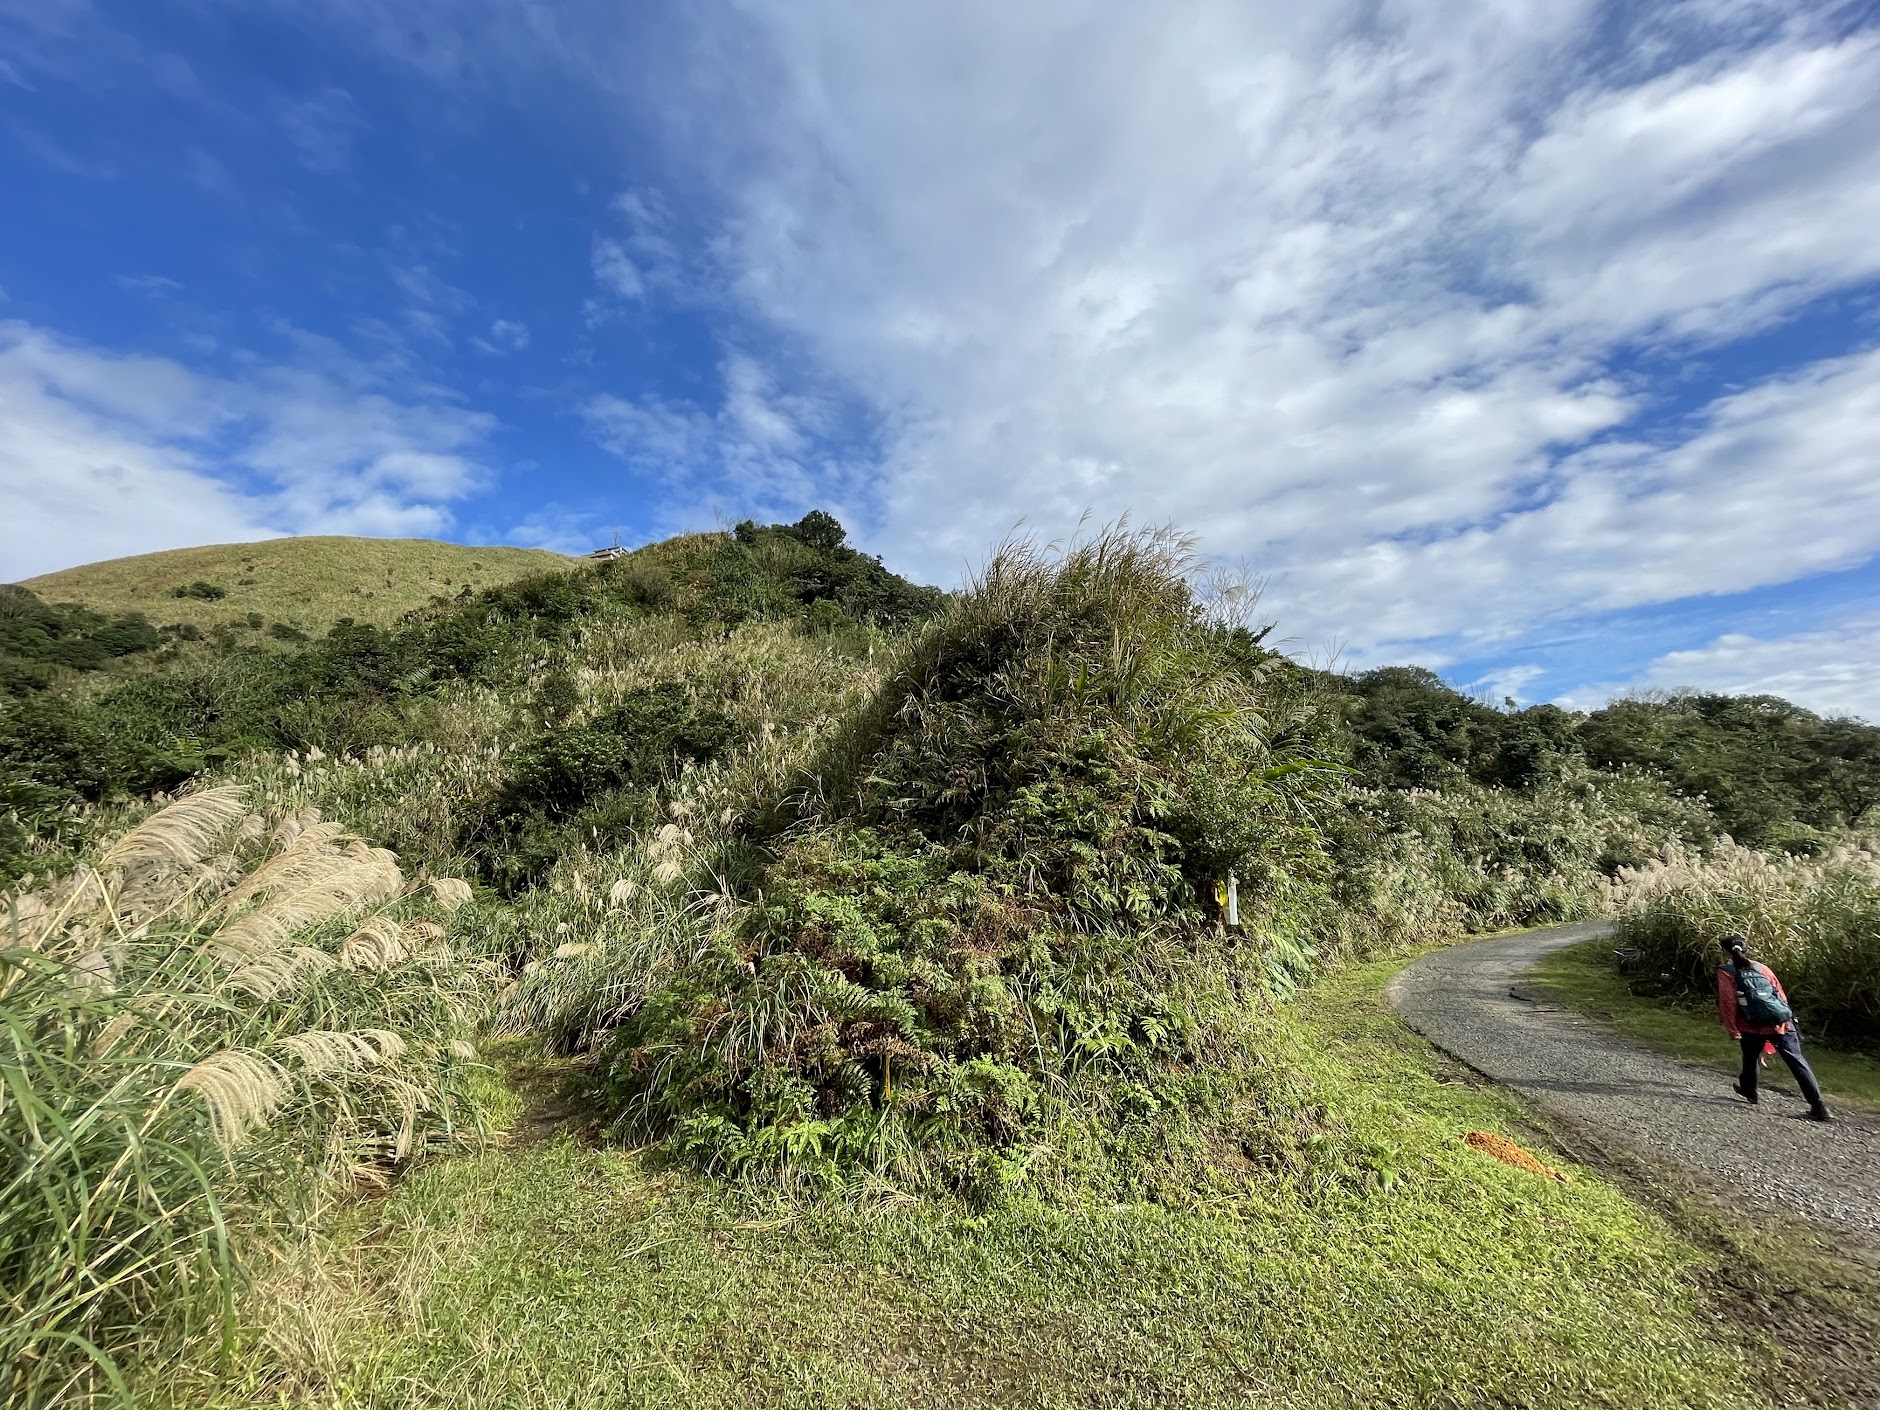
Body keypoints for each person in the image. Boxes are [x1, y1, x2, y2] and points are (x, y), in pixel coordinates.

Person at [1715, 935, 1832, 1123]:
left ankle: (1750, 1091)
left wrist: (1732, 1027)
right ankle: (1819, 1107)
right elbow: (1780, 995)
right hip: (1781, 1023)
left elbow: (1728, 1001)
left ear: (1725, 951)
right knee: (1797, 1062)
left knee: (1751, 1056)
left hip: (1751, 1025)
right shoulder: (1762, 968)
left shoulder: (1726, 971)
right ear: (1747, 949)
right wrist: (1785, 1020)